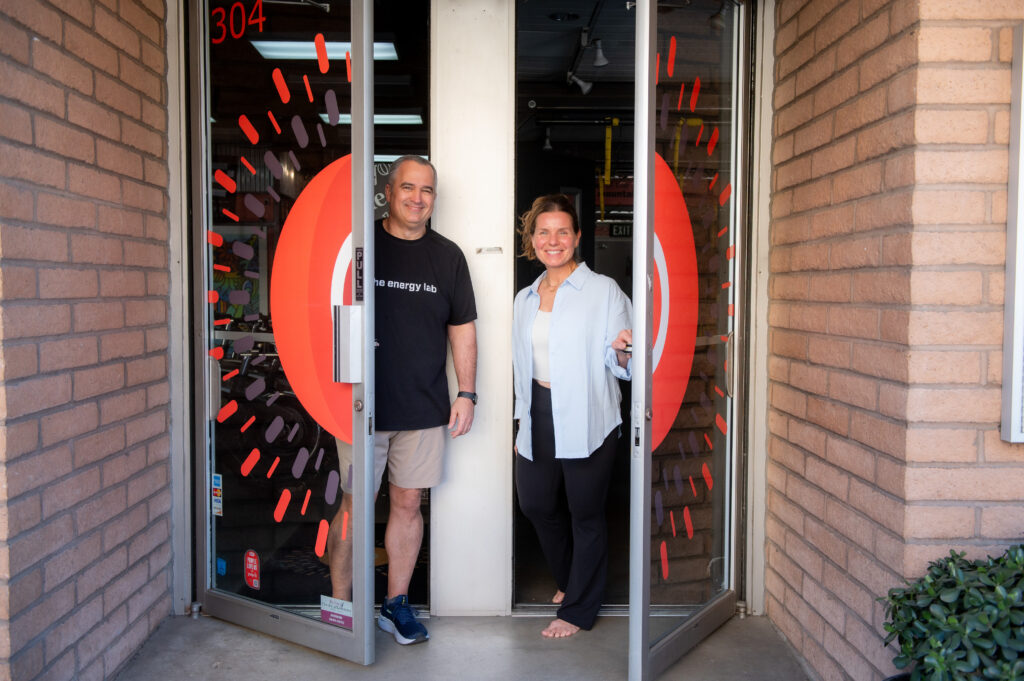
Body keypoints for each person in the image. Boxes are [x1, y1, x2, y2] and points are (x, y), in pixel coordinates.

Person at [326, 155, 478, 645]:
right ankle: (343, 609)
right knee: (355, 504)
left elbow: (462, 330)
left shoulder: (448, 257)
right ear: (387, 193)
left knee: (409, 504)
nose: (418, 198)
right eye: (408, 188)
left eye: (427, 191)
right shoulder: (359, 246)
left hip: (423, 406)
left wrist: (468, 392)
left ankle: (395, 606)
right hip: (359, 406)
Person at [512, 193, 632, 639]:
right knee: (536, 503)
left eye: (563, 231)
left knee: (585, 513)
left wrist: (623, 352)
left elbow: (624, 363)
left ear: (577, 237)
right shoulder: (525, 298)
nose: (553, 240)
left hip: (588, 414)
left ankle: (580, 608)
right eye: (544, 232)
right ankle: (571, 580)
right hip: (538, 412)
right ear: (533, 240)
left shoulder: (602, 292)